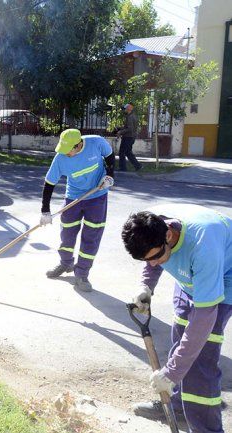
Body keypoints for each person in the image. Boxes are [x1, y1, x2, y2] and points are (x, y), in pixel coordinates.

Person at [122, 205, 232, 432]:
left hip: (224, 278)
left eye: (155, 257)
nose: (152, 264)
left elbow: (203, 319)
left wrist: (171, 373)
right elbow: (151, 257)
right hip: (190, 278)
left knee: (200, 357)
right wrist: (146, 285)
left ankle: (206, 429)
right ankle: (177, 405)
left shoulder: (204, 248)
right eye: (146, 259)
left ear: (169, 235)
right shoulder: (150, 225)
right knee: (181, 336)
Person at [41, 129, 115, 292]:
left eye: (69, 150)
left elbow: (110, 156)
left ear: (79, 144)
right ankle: (65, 263)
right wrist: (45, 211)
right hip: (73, 197)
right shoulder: (60, 157)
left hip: (97, 195)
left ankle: (81, 274)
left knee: (91, 236)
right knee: (67, 233)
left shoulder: (96, 143)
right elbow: (49, 183)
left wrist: (109, 175)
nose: (65, 153)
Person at [117, 103, 143, 172]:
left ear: (129, 108)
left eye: (125, 108)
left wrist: (120, 132)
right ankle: (138, 166)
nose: (124, 110)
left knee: (122, 152)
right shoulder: (132, 116)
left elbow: (130, 129)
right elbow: (129, 127)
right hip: (131, 137)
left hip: (128, 137)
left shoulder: (130, 117)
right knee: (128, 152)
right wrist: (120, 128)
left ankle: (123, 168)